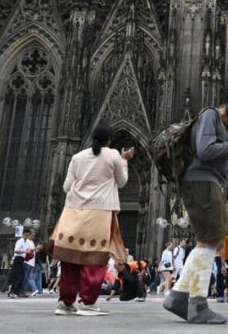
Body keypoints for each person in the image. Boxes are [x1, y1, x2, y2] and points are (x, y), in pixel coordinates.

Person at [162, 96, 228, 324]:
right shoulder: (210, 116)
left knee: (209, 240)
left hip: (206, 182)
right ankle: (198, 305)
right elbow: (205, 152)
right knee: (210, 240)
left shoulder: (215, 122)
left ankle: (178, 297)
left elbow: (215, 152)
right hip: (201, 182)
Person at [51, 122, 133, 316]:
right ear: (109, 140)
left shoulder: (77, 157)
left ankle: (65, 303)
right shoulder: (113, 155)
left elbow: (66, 187)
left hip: (73, 212)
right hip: (100, 212)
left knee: (70, 258)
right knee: (95, 260)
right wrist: (124, 160)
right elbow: (121, 182)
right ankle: (87, 303)